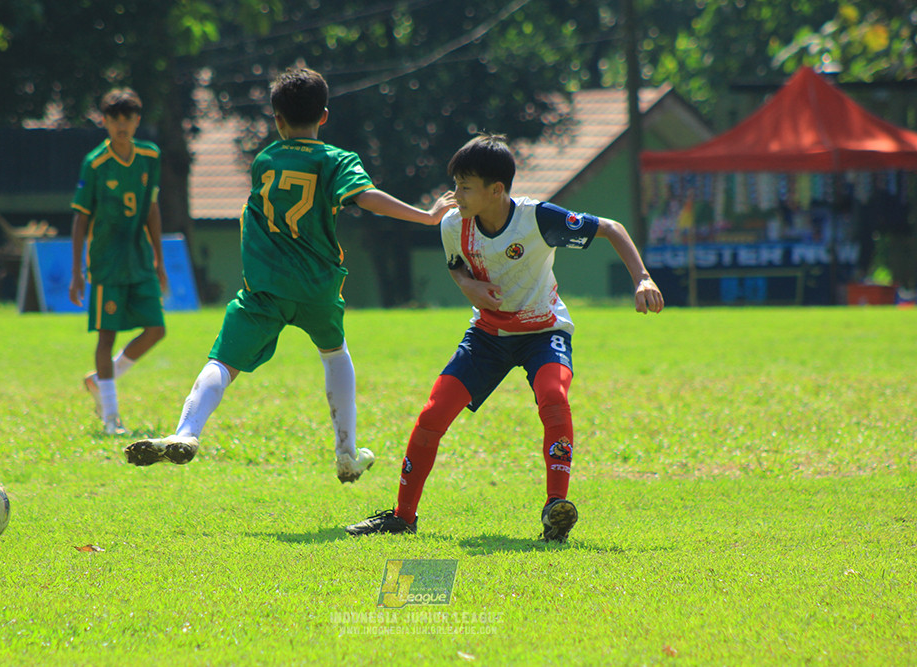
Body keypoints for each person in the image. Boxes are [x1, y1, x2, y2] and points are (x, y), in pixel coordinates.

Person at [124, 67, 456, 482]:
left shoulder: (265, 159)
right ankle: (347, 453)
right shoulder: (336, 159)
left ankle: (187, 432)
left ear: (277, 119)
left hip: (265, 286)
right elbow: (366, 197)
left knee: (223, 362)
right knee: (335, 354)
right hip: (317, 285)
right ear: (324, 116)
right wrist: (426, 216)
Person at [346, 134, 664, 541]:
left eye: (465, 186)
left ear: (496, 190)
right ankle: (402, 516)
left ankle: (555, 509)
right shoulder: (453, 224)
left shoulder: (537, 219)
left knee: (554, 396)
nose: (455, 194)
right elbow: (456, 266)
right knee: (432, 415)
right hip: (487, 336)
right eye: (456, 183)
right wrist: (468, 286)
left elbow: (612, 228)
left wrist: (642, 278)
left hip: (543, 332)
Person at [69, 87, 168, 436]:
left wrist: (159, 260)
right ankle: (111, 418)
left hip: (139, 257)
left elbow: (152, 208)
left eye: (127, 118)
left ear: (137, 120)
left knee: (156, 329)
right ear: (105, 121)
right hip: (106, 261)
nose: (121, 125)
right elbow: (80, 218)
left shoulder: (150, 156)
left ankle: (100, 380)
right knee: (106, 335)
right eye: (114, 119)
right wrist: (77, 272)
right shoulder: (95, 163)